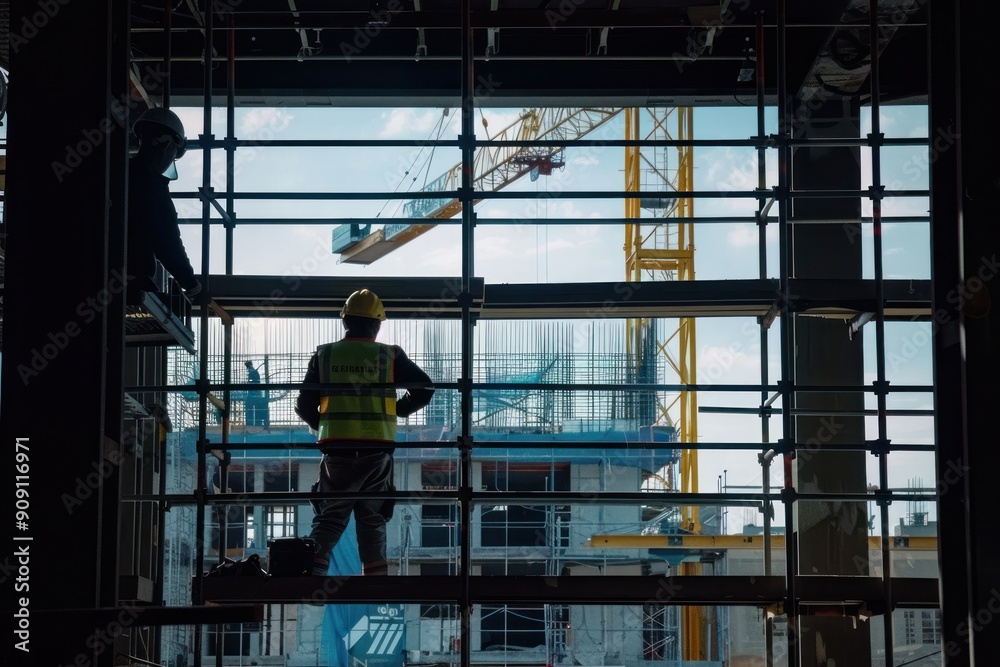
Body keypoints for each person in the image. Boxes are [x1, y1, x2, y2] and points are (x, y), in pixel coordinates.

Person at [295, 288, 434, 576]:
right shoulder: (389, 355)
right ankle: (375, 575)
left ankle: (313, 569)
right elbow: (424, 388)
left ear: (345, 321)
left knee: (331, 515)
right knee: (372, 515)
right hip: (376, 446)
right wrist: (397, 410)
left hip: (338, 448)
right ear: (377, 324)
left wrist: (322, 424)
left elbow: (303, 404)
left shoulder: (325, 355)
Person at [127, 107, 201, 304]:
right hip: (128, 282)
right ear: (168, 145)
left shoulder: (122, 171)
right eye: (174, 154)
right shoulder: (150, 184)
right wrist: (192, 285)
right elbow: (166, 240)